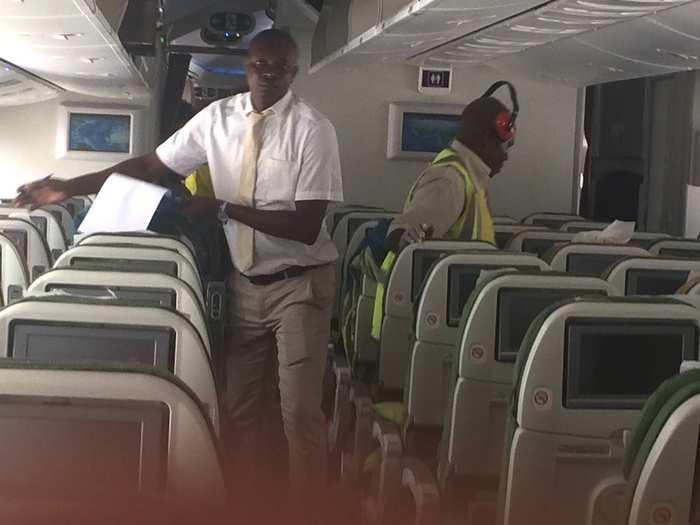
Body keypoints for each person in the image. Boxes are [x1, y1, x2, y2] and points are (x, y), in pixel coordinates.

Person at [15, 28, 343, 522]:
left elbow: (306, 224)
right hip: (244, 280)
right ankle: (248, 502)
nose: (267, 73)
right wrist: (68, 187)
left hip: (301, 282)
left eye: (279, 67)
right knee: (239, 409)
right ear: (247, 66)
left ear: (293, 72)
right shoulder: (218, 119)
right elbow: (151, 165)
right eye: (259, 64)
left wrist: (226, 209)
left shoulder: (313, 130)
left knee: (298, 413)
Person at [370, 83, 518, 340]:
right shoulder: (450, 179)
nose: (506, 156)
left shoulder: (466, 176)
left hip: (444, 315)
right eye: (507, 146)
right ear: (486, 140)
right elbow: (406, 236)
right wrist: (407, 235)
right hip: (428, 320)